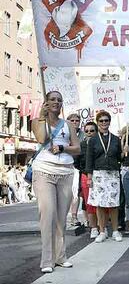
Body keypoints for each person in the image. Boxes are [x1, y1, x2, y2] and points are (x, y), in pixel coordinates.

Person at [31, 91, 80, 273]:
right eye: (52, 99)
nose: (56, 102)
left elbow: (77, 149)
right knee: (47, 215)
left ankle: (60, 257)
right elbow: (41, 139)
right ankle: (47, 260)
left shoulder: (68, 125)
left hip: (65, 173)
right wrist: (43, 117)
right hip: (44, 172)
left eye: (59, 100)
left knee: (61, 217)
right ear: (46, 102)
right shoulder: (37, 121)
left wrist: (62, 147)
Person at [85, 111, 123, 243]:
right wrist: (89, 177)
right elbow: (89, 159)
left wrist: (125, 152)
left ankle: (115, 231)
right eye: (101, 121)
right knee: (99, 204)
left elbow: (120, 158)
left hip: (112, 173)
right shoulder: (93, 140)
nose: (104, 123)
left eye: (106, 120)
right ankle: (102, 231)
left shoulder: (116, 139)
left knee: (113, 204)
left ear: (110, 122)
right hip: (98, 174)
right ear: (97, 122)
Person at [79, 121, 99, 239]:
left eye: (92, 130)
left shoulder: (101, 144)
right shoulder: (82, 145)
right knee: (89, 203)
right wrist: (84, 170)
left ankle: (102, 227)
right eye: (86, 131)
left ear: (96, 132)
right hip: (86, 176)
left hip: (100, 175)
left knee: (100, 203)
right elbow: (77, 161)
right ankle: (93, 228)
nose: (89, 133)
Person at [67, 113, 85, 227]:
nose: (74, 122)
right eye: (72, 120)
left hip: (76, 167)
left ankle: (74, 216)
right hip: (62, 166)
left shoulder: (83, 135)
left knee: (75, 193)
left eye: (77, 120)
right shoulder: (62, 133)